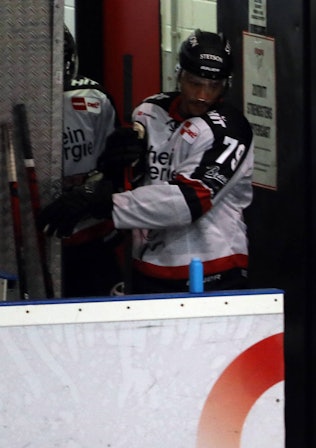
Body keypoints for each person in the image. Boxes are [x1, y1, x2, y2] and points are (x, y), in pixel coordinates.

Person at [40, 30, 254, 294]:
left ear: (226, 85)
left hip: (214, 269)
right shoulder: (150, 111)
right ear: (179, 74)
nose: (202, 95)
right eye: (194, 82)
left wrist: (104, 204)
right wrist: (114, 168)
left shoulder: (230, 129)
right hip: (148, 266)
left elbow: (190, 201)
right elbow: (137, 180)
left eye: (213, 86)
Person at [58, 25, 123, 297]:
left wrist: (96, 194)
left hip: (91, 238)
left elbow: (116, 167)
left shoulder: (93, 99)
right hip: (28, 241)